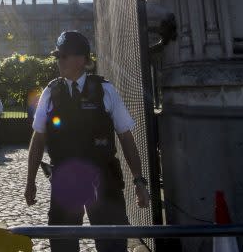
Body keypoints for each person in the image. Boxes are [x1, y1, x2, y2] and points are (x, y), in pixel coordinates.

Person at [25, 30, 150, 252]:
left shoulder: (105, 90)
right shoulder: (51, 92)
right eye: (58, 56)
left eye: (64, 56)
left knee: (112, 244)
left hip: (104, 180)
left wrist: (139, 181)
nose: (59, 61)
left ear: (82, 59)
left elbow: (126, 138)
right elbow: (38, 139)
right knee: (63, 246)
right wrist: (30, 180)